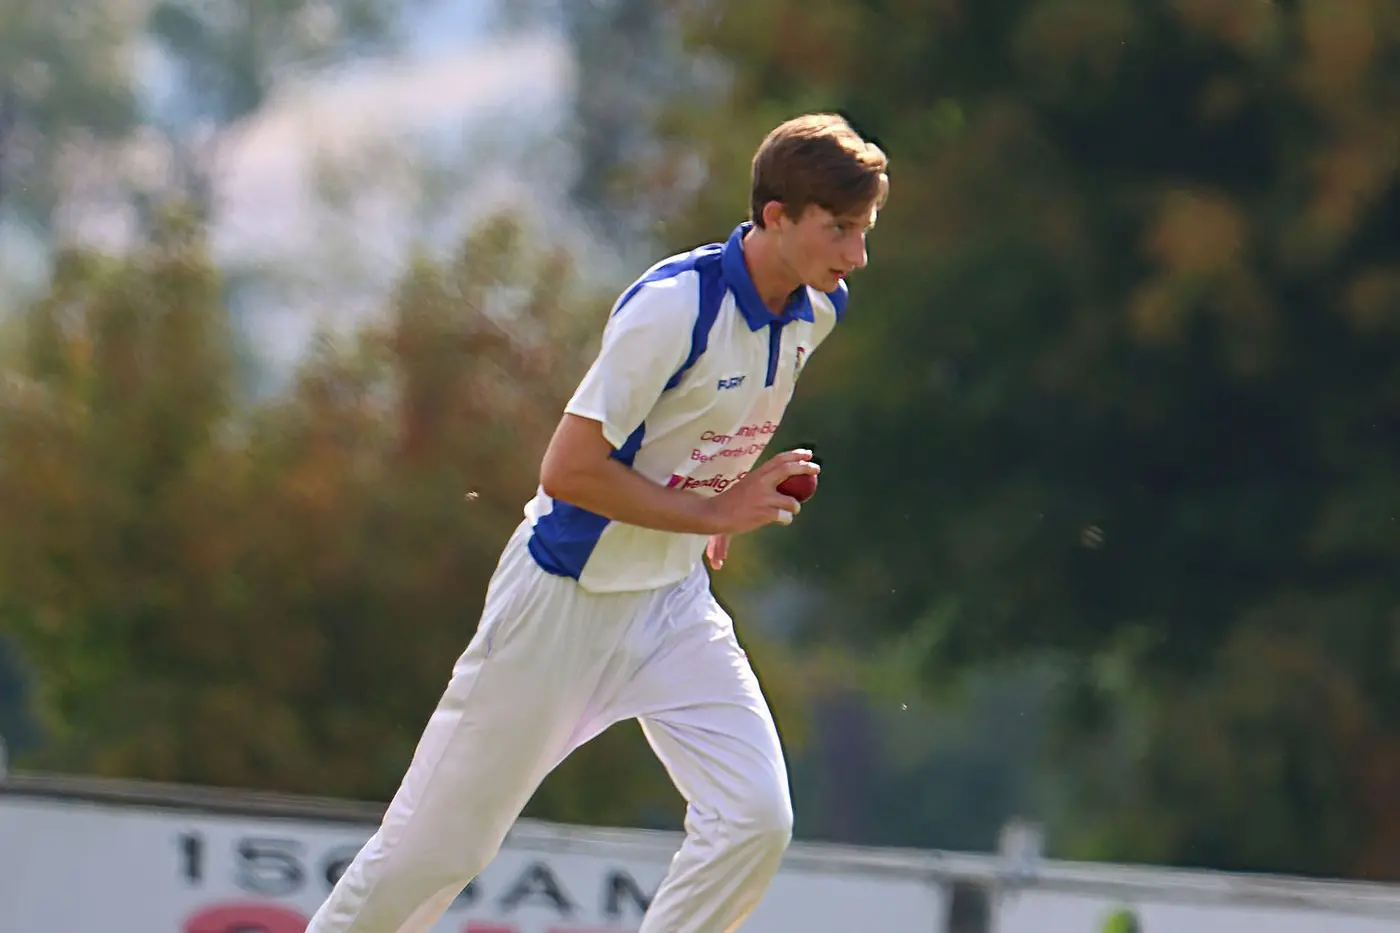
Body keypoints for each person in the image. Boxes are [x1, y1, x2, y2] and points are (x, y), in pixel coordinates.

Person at [305, 112, 889, 933]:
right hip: (561, 599)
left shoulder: (818, 308)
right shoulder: (673, 307)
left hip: (670, 603)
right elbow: (570, 470)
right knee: (434, 853)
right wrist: (711, 509)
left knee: (755, 820)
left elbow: (707, 416)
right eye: (839, 229)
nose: (856, 255)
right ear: (776, 216)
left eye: (864, 230)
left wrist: (719, 491)